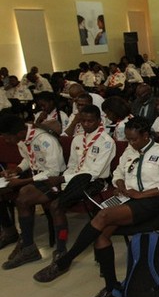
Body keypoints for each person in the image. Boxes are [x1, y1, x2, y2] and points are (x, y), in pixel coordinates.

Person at [33, 116, 159, 297]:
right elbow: (118, 173)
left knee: (102, 216)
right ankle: (111, 287)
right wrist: (119, 185)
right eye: (128, 139)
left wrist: (141, 193)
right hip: (126, 199)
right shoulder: (130, 151)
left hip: (151, 203)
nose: (131, 143)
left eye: (134, 139)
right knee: (101, 234)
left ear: (146, 136)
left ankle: (65, 261)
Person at [4, 105, 114, 270]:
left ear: (99, 121)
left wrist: (62, 178)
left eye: (90, 121)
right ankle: (28, 246)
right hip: (70, 178)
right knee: (24, 196)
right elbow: (72, 166)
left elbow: (94, 172)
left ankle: (61, 249)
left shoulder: (106, 142)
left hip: (93, 183)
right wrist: (63, 181)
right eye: (83, 121)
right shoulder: (78, 139)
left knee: (56, 206)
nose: (86, 124)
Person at [0, 116, 65, 254]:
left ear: (18, 133)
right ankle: (22, 240)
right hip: (38, 177)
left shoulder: (45, 140)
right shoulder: (23, 140)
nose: (6, 141)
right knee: (19, 193)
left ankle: (28, 246)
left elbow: (54, 171)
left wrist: (22, 181)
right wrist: (17, 170)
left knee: (22, 199)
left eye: (7, 137)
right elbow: (27, 159)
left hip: (56, 181)